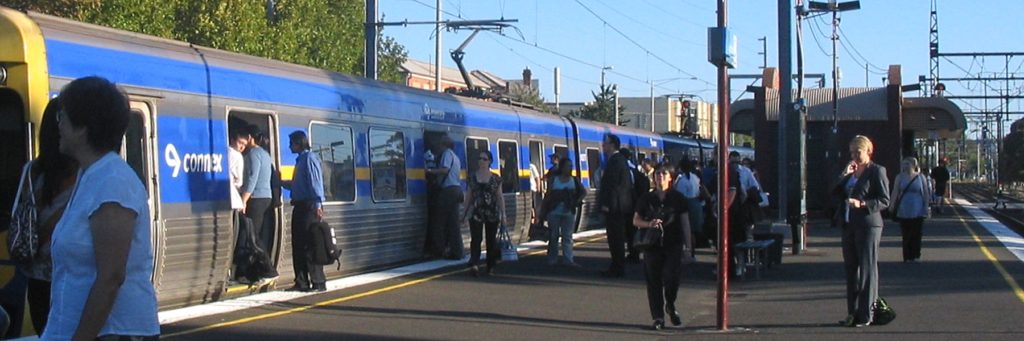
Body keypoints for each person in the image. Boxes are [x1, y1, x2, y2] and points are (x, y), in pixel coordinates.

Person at [47, 76, 159, 339]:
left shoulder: (113, 183)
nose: (58, 125)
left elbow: (111, 276)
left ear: (84, 127)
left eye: (62, 116)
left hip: (114, 333)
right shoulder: (91, 176)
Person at [20, 98, 78, 334]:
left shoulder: (32, 171)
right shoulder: (84, 173)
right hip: (71, 278)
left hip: (37, 280)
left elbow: (24, 214)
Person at [832, 135, 890, 328]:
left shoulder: (877, 171)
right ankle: (852, 313)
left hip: (868, 225)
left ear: (868, 151)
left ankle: (867, 314)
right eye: (852, 152)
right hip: (849, 225)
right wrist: (844, 175)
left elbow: (884, 200)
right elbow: (834, 193)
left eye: (858, 151)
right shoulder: (851, 173)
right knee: (851, 270)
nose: (855, 156)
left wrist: (863, 203)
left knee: (867, 269)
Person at [634, 164, 690, 330]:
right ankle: (658, 317)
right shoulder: (646, 198)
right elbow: (635, 220)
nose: (660, 176)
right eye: (657, 173)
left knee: (672, 277)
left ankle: (670, 303)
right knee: (653, 281)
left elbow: (685, 223)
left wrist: (688, 248)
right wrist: (648, 223)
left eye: (664, 174)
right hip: (652, 245)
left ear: (670, 177)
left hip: (673, 243)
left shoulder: (678, 199)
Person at [283, 130, 327, 292]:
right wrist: (280, 182)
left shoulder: (309, 159)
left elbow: (316, 183)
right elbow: (299, 185)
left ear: (298, 143)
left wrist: (317, 205)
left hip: (309, 207)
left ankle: (318, 282)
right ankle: (301, 281)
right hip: (300, 207)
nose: (289, 147)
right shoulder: (301, 160)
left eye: (291, 143)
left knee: (310, 245)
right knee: (299, 245)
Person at [461, 150, 506, 276]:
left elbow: (499, 197)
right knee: (476, 239)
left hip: (492, 213)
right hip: (477, 212)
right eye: (480, 159)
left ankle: (490, 266)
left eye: (484, 159)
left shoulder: (496, 179)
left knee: (491, 240)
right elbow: (468, 196)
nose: (481, 161)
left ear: (490, 161)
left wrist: (504, 215)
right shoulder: (472, 177)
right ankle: (474, 264)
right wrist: (464, 214)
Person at [598, 134, 633, 278]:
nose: (603, 146)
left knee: (615, 238)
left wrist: (607, 204)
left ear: (612, 145)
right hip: (620, 206)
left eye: (605, 144)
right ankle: (616, 266)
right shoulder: (620, 161)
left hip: (615, 207)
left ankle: (617, 267)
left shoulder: (615, 161)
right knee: (616, 238)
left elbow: (613, 186)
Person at [541, 158, 586, 266]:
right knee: (553, 236)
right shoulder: (553, 180)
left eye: (571, 166)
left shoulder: (574, 180)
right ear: (562, 167)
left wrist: (576, 201)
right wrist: (542, 212)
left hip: (568, 211)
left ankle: (568, 259)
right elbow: (548, 196)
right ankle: (552, 260)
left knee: (567, 236)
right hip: (554, 211)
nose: (570, 168)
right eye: (568, 166)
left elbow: (583, 192)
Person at [426, 135, 464, 259]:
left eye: (440, 145)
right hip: (457, 190)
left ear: (444, 145)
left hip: (448, 191)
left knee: (439, 222)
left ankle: (439, 250)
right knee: (453, 224)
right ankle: (457, 251)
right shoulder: (455, 157)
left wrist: (430, 171)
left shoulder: (447, 154)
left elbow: (445, 170)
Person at [890, 157, 931, 263]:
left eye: (907, 164)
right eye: (903, 164)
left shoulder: (920, 177)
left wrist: (926, 206)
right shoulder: (899, 177)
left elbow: (925, 193)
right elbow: (895, 191)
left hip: (918, 208)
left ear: (913, 165)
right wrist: (892, 205)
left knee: (917, 233)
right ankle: (907, 255)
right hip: (904, 208)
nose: (905, 166)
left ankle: (916, 255)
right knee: (906, 233)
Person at [241, 125, 274, 254]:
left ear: (249, 137)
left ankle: (265, 267)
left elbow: (252, 178)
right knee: (256, 233)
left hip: (256, 198)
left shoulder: (253, 154)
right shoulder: (265, 154)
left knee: (251, 234)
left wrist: (244, 200)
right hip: (266, 197)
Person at [674, 159, 706, 259]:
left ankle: (687, 251)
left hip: (687, 204)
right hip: (696, 204)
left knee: (685, 229)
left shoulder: (682, 180)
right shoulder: (695, 177)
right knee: (692, 231)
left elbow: (679, 195)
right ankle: (692, 252)